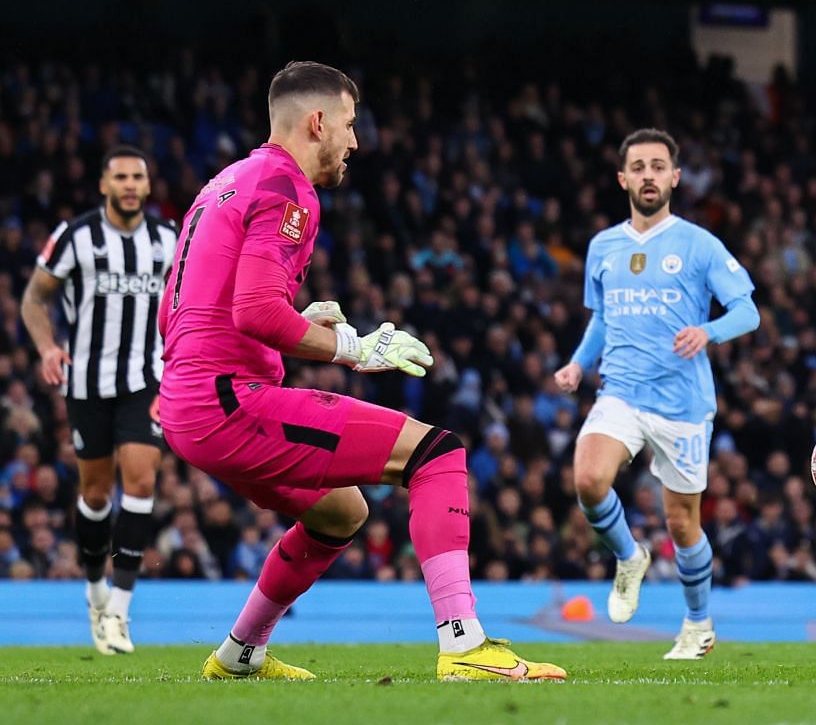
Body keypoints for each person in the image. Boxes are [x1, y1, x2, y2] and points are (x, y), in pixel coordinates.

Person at [157, 61, 566, 682]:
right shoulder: (288, 188)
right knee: (437, 453)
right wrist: (352, 347)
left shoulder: (226, 182)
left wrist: (300, 320)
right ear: (317, 122)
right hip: (227, 403)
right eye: (349, 125)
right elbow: (254, 310)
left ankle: (241, 653)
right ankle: (464, 644)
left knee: (339, 513)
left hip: (192, 401)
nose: (355, 141)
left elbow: (189, 311)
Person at [554, 127, 759, 660]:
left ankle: (697, 624)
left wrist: (707, 331)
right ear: (623, 178)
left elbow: (747, 310)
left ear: (675, 177)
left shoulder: (698, 243)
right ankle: (628, 556)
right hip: (620, 391)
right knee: (589, 479)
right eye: (639, 167)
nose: (649, 175)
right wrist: (579, 363)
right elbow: (601, 317)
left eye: (658, 166)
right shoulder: (604, 245)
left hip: (683, 403)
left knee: (681, 523)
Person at [23, 146, 177, 654]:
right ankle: (94, 592)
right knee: (93, 496)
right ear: (104, 185)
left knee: (140, 480)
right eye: (121, 177)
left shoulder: (168, 241)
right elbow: (34, 298)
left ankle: (119, 610)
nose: (131, 185)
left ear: (148, 186)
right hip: (87, 382)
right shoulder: (76, 237)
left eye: (139, 176)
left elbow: (196, 301)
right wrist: (48, 346)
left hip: (146, 380)